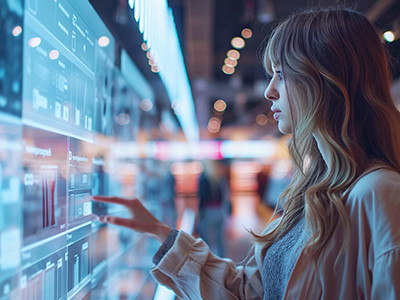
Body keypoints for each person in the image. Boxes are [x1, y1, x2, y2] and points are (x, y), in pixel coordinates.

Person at [93, 7, 400, 299]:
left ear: (325, 80)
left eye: (282, 73)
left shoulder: (381, 194)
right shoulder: (313, 193)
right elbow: (250, 292)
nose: (269, 91)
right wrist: (159, 231)